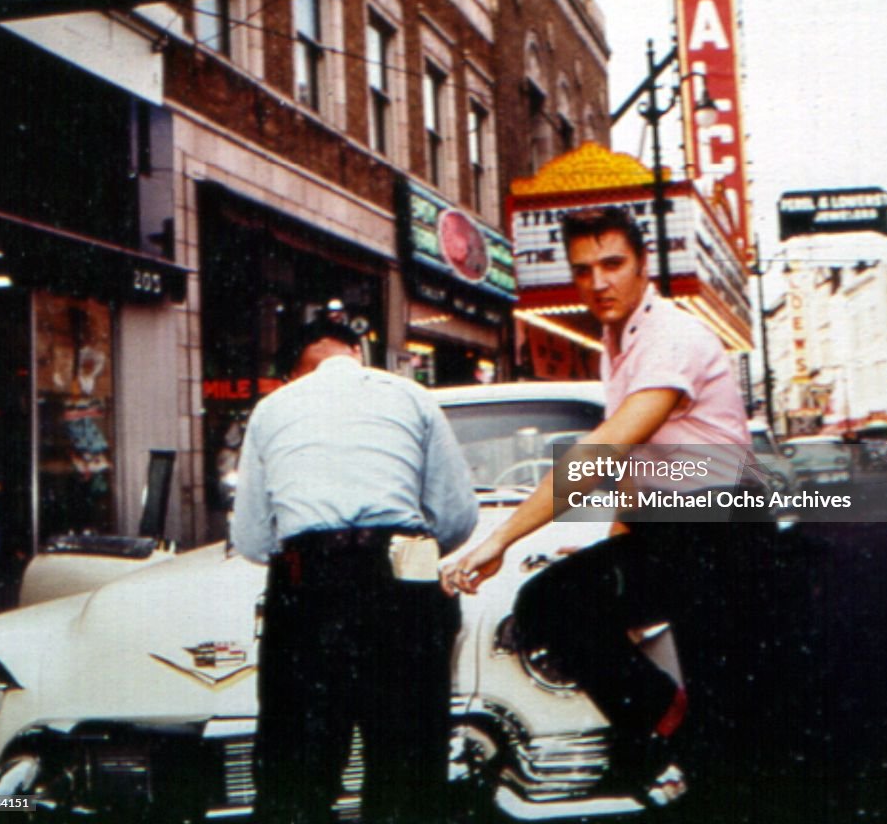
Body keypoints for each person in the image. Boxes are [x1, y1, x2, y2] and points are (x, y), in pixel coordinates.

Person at [441, 205, 794, 819]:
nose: (598, 282)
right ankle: (671, 733)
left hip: (724, 526)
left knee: (738, 716)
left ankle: (685, 747)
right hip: (673, 528)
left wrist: (497, 540)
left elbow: (604, 452)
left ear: (642, 265)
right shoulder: (618, 342)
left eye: (613, 264)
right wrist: (610, 544)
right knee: (554, 601)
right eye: (583, 270)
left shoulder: (671, 336)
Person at [232, 319, 478, 824]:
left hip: (306, 590)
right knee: (408, 771)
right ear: (357, 353)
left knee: (296, 773)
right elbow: (456, 518)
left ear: (292, 372)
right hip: (404, 588)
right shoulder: (412, 396)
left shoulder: (271, 409)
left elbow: (254, 541)